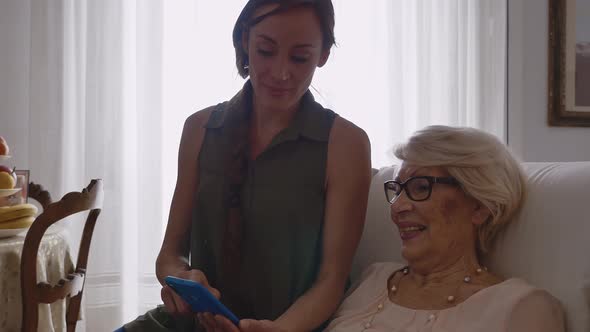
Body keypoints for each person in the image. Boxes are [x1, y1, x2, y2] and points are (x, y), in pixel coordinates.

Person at [122, 0, 372, 331]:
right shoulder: (199, 129)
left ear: (324, 54)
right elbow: (170, 253)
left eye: (300, 57)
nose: (281, 72)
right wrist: (182, 279)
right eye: (266, 50)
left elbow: (331, 282)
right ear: (244, 40)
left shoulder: (346, 144)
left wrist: (278, 330)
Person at [209, 125, 565, 332]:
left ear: (480, 206)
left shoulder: (522, 309)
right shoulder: (373, 280)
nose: (398, 208)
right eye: (397, 190)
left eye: (421, 188)